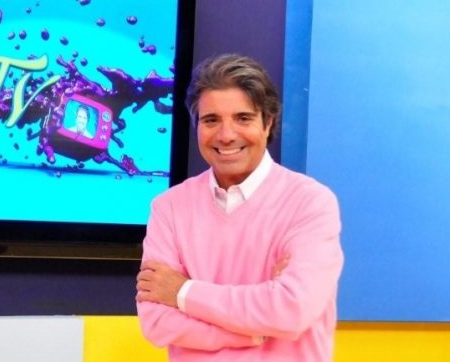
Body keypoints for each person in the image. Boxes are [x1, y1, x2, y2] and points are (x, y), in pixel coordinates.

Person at [135, 54, 343, 362]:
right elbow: (157, 323)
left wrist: (182, 292)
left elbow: (292, 309)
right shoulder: (169, 208)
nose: (226, 135)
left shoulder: (310, 203)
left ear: (267, 123)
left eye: (243, 118)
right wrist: (253, 330)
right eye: (211, 120)